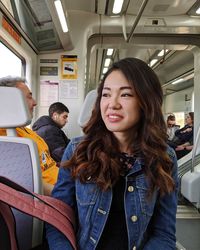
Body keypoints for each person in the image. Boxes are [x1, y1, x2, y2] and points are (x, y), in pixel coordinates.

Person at [46, 58, 178, 250]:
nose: (112, 104)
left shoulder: (165, 159)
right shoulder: (78, 150)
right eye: (106, 95)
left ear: (146, 102)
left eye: (125, 95)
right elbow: (57, 218)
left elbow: (164, 234)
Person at [0, 76, 59, 195]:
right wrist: (66, 194)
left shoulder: (26, 131)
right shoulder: (5, 139)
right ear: (12, 101)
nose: (35, 102)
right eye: (29, 96)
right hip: (53, 198)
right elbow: (25, 184)